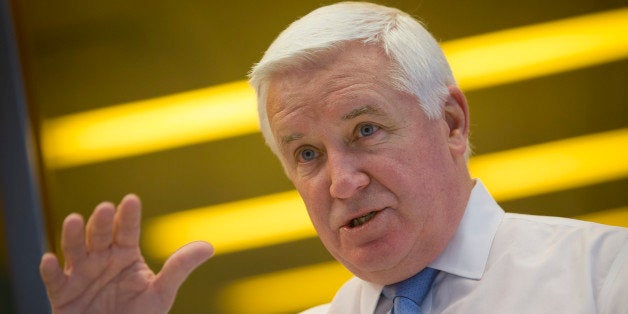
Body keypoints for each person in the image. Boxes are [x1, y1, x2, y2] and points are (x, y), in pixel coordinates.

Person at [40, 2, 627, 313]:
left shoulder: (603, 279)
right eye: (307, 153)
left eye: (366, 129)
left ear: (450, 123)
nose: (341, 183)